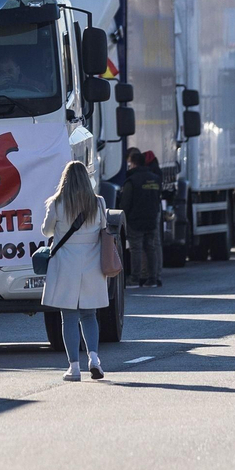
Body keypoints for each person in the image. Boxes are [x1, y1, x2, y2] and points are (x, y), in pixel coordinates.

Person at [42, 160, 109, 382]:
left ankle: (74, 367)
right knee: (90, 316)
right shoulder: (98, 203)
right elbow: (103, 229)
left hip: (66, 265)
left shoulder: (57, 203)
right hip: (91, 266)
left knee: (68, 317)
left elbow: (46, 231)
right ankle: (95, 359)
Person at [116, 147, 163, 288]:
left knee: (136, 249)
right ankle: (153, 278)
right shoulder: (155, 179)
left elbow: (125, 203)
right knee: (151, 248)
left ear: (134, 163)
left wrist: (121, 218)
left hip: (135, 221)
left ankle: (135, 278)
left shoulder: (132, 180)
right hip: (151, 219)